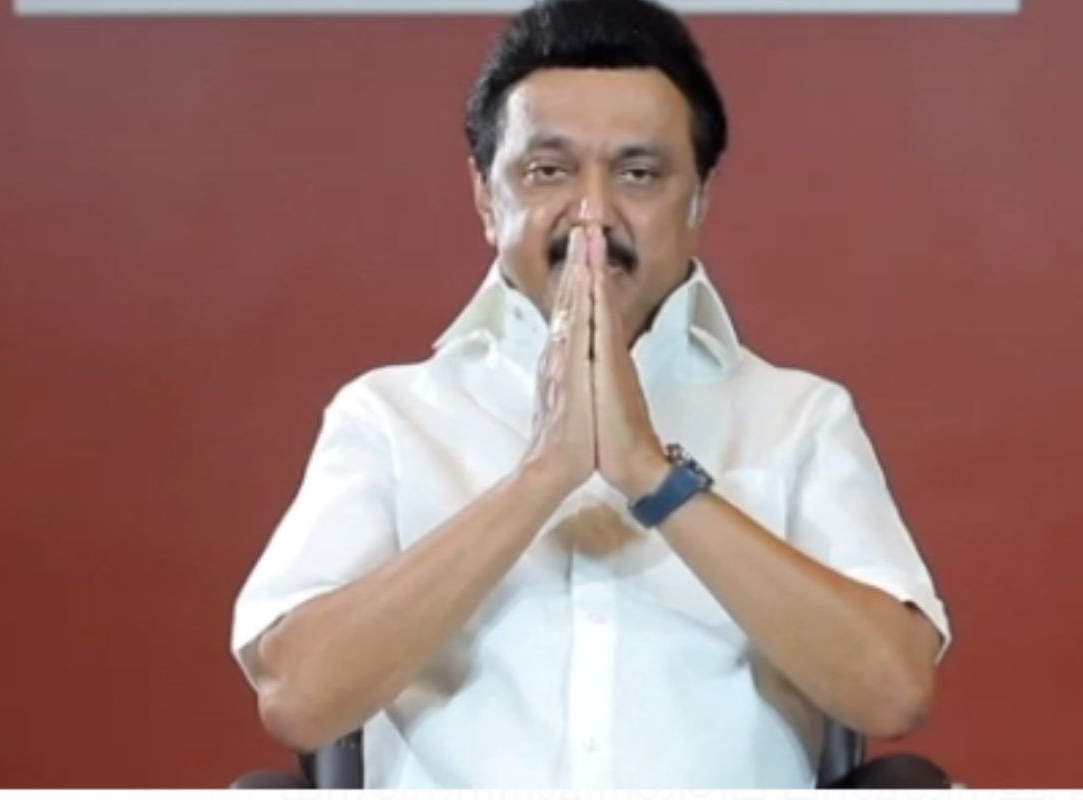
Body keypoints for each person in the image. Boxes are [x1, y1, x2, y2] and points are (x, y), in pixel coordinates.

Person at [230, 0, 951, 788]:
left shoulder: (798, 418)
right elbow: (297, 698)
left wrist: (652, 476)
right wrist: (545, 474)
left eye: (638, 174)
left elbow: (893, 691)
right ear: (485, 196)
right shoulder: (390, 417)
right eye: (549, 171)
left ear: (699, 199)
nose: (593, 213)